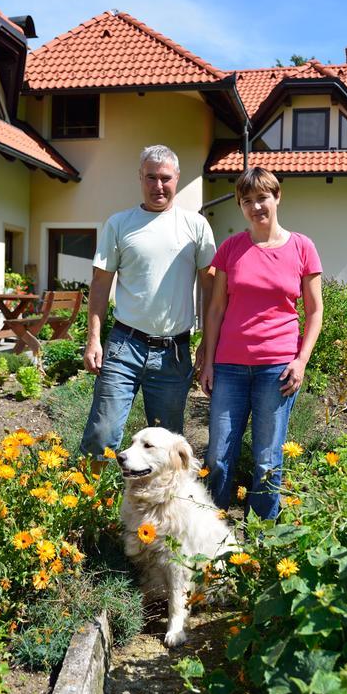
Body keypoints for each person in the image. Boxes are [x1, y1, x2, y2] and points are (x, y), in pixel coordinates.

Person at [200, 167, 323, 520]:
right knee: (217, 456)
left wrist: (301, 361)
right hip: (229, 367)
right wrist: (208, 361)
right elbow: (216, 309)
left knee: (268, 457)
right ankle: (214, 534)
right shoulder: (231, 248)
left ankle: (260, 542)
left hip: (277, 368)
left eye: (262, 198)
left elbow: (315, 312)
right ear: (240, 206)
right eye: (247, 200)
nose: (256, 206)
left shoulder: (302, 247)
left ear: (277, 197)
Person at [80, 144, 215, 460]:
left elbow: (212, 290)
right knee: (102, 436)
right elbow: (100, 286)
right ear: (140, 178)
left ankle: (157, 508)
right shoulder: (119, 224)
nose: (158, 186)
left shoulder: (196, 226)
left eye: (165, 178)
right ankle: (90, 505)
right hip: (124, 346)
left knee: (166, 449)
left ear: (177, 179)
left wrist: (208, 344)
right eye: (151, 177)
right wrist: (93, 340)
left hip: (173, 354)